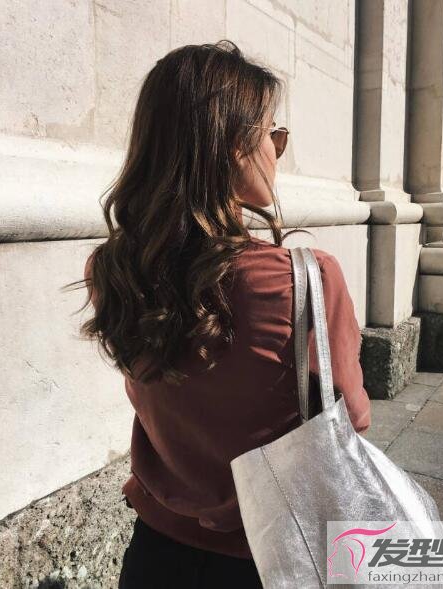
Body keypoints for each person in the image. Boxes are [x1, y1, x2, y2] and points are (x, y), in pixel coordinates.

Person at [80, 39, 371, 588]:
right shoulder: (305, 279)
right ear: (235, 146)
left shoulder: (112, 270)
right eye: (273, 135)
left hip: (155, 550)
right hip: (271, 557)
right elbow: (350, 420)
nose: (278, 150)